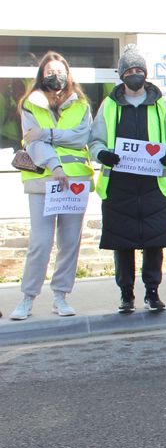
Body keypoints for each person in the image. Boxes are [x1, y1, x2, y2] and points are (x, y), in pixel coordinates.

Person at [89, 44, 166, 314]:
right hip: (119, 184)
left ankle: (152, 292)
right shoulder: (108, 106)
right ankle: (126, 294)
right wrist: (102, 155)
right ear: (121, 75)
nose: (135, 74)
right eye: (130, 70)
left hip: (155, 183)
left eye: (139, 70)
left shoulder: (161, 105)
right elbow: (95, 141)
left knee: (154, 241)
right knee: (122, 242)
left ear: (146, 73)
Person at [10, 52, 93, 320]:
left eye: (59, 70)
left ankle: (61, 296)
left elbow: (82, 135)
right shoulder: (30, 104)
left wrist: (49, 134)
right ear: (41, 75)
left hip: (75, 183)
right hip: (44, 182)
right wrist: (55, 165)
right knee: (40, 242)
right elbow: (32, 142)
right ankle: (28, 298)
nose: (54, 75)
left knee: (70, 242)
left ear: (68, 74)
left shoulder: (81, 103)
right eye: (49, 71)